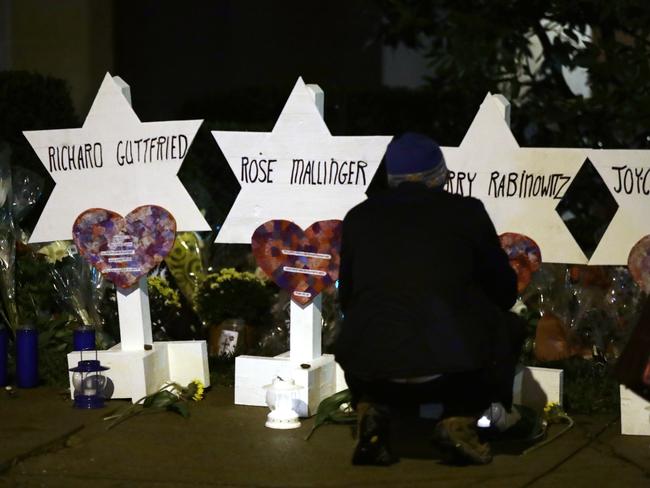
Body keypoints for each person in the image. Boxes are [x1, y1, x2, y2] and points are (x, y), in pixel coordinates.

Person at [333, 132, 524, 466]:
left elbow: (346, 297)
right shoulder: (467, 212)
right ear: (440, 174)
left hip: (372, 368)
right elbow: (504, 291)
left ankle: (372, 409)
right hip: (450, 372)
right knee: (509, 326)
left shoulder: (358, 217)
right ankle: (459, 420)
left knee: (368, 323)